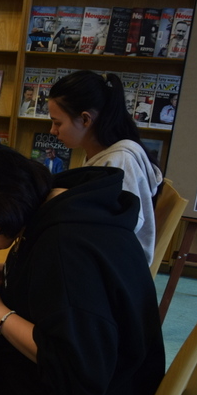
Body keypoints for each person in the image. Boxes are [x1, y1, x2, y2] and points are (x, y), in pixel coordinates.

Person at [0, 144, 164, 395]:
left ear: (5, 209)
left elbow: (74, 367)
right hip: (124, 376)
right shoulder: (67, 203)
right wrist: (13, 272)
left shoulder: (64, 248)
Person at [48, 70, 163, 265]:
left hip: (116, 266)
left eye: (57, 122)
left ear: (86, 119)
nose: (52, 131)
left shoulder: (119, 162)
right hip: (102, 257)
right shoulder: (101, 153)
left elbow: (117, 233)